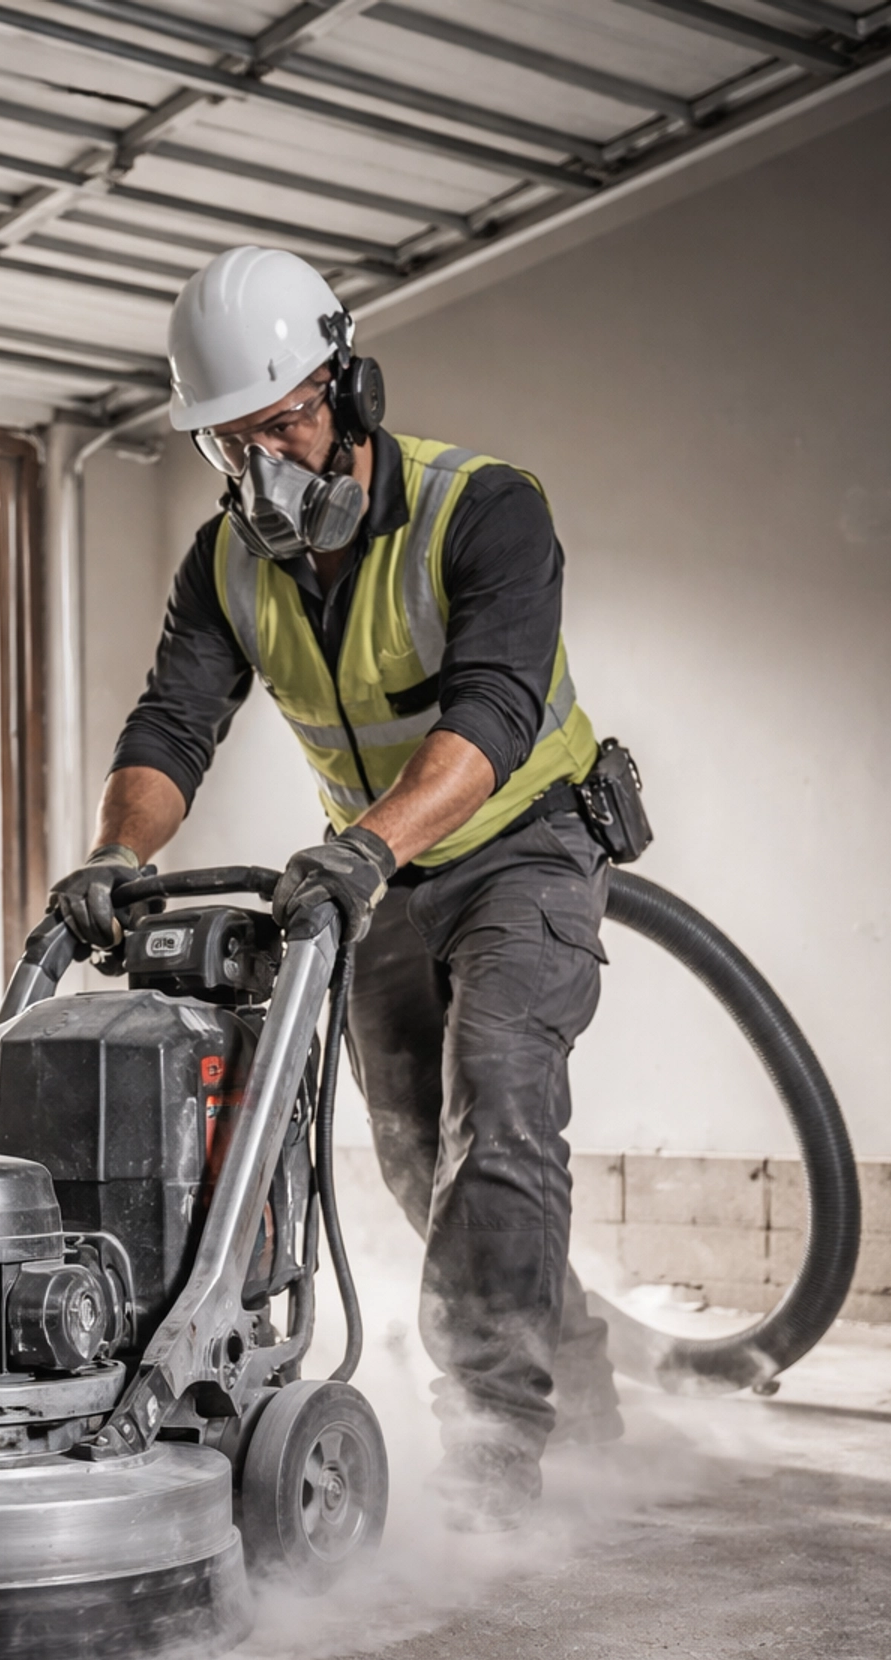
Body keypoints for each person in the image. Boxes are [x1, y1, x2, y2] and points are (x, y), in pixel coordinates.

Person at [50, 245, 622, 1528]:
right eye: (232, 443)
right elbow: (172, 725)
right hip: (369, 874)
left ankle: (495, 1458)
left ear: (350, 388)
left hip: (520, 843)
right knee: (424, 1163)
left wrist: (371, 844)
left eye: (287, 424)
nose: (268, 469)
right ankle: (576, 1393)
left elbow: (493, 712)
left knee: (500, 1117)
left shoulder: (483, 507)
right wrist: (116, 856)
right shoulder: (227, 563)